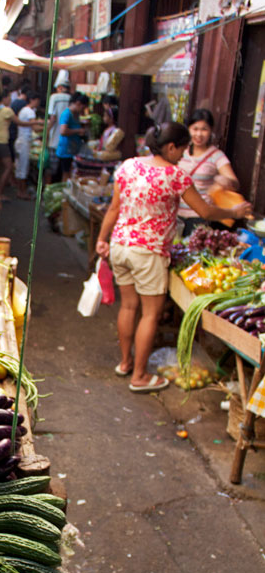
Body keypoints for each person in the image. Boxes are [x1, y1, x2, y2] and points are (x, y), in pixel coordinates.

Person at [96, 122, 250, 393]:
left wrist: (102, 238)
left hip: (120, 245)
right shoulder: (175, 176)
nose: (184, 154)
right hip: (149, 252)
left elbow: (113, 208)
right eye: (183, 148)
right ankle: (140, 376)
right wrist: (235, 212)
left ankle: (125, 363)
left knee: (128, 307)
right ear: (171, 147)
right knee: (150, 315)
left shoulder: (129, 165)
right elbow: (204, 211)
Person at [177, 108, 240, 236]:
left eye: (204, 129)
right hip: (175, 214)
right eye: (195, 129)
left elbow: (235, 183)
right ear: (189, 129)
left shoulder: (216, 155)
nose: (199, 134)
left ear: (211, 131)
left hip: (199, 216)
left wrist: (225, 181)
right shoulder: (180, 151)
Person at [0, 89, 41, 198]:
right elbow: (20, 123)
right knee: (9, 167)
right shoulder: (7, 110)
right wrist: (37, 122)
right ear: (4, 98)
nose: (10, 100)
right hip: (2, 142)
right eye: (9, 97)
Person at [55, 92, 89, 180]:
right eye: (83, 107)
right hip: (66, 151)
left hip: (72, 149)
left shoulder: (76, 115)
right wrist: (78, 131)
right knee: (66, 174)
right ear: (78, 103)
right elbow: (63, 131)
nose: (82, 110)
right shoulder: (67, 114)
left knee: (70, 173)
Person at [14, 92, 41, 199]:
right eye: (37, 101)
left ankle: (20, 190)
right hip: (24, 142)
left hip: (20, 140)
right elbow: (35, 128)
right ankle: (22, 192)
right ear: (33, 100)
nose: (38, 104)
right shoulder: (30, 112)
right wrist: (47, 127)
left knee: (19, 167)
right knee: (23, 168)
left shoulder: (23, 110)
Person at [47, 70, 71, 181]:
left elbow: (52, 118)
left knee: (51, 170)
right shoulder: (71, 98)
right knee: (64, 171)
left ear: (59, 87)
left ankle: (47, 191)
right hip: (67, 141)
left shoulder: (54, 97)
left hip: (54, 139)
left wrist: (46, 133)